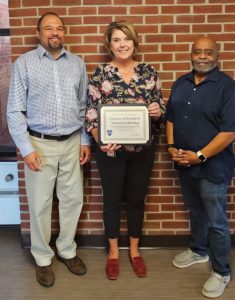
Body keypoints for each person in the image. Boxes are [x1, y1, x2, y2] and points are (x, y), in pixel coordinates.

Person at [7, 12, 91, 287]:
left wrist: (84, 140)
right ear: (39, 33)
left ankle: (67, 249)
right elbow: (15, 111)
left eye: (59, 28)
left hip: (70, 143)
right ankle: (43, 258)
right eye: (48, 28)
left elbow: (83, 107)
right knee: (40, 204)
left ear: (64, 33)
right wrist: (25, 148)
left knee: (72, 200)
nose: (54, 32)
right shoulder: (24, 64)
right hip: (38, 144)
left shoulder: (77, 64)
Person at [165, 36, 235, 298]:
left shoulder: (228, 88)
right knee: (195, 211)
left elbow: (231, 131)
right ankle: (199, 251)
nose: (202, 56)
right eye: (198, 52)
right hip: (184, 163)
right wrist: (170, 147)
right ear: (191, 55)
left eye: (208, 52)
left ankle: (222, 271)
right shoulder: (181, 83)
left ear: (217, 57)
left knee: (216, 220)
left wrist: (199, 156)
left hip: (213, 167)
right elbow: (171, 118)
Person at [86, 20, 165, 280]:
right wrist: (99, 141)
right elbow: (90, 115)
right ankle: (112, 253)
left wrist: (156, 112)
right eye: (117, 40)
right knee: (111, 201)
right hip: (111, 151)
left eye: (127, 39)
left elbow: (160, 111)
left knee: (135, 200)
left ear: (134, 42)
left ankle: (134, 251)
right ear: (109, 45)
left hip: (142, 150)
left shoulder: (148, 71)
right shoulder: (100, 74)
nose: (122, 44)